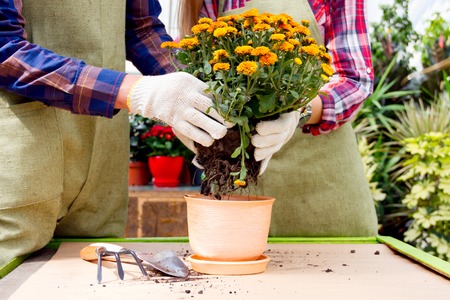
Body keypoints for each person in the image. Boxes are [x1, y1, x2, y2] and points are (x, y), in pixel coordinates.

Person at [0, 0, 229, 268]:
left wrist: (200, 97)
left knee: (96, 278)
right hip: (24, 154)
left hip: (103, 156)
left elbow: (141, 28)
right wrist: (135, 91)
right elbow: (5, 49)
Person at [177, 0, 379, 237]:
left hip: (322, 188)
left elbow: (353, 80)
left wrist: (298, 112)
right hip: (240, 191)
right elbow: (206, 74)